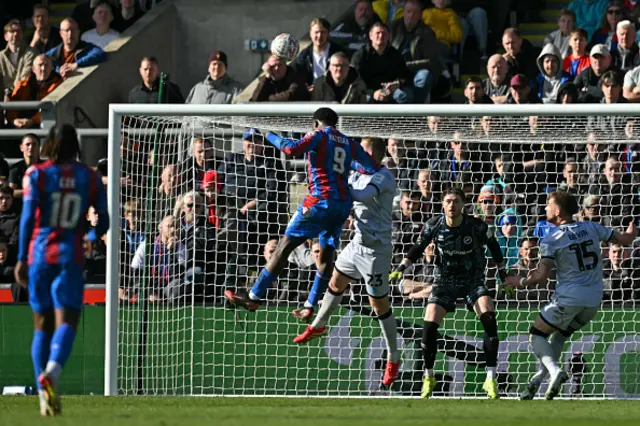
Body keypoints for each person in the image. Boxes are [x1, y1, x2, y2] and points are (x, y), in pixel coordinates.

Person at [224, 108, 379, 321]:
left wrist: (267, 133)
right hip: (342, 205)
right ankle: (309, 305)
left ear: (316, 123)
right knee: (326, 255)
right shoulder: (348, 142)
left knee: (284, 245)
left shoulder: (318, 136)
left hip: (319, 202)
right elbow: (370, 167)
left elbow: (290, 149)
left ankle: (254, 295)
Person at [14, 123, 109, 416]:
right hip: (69, 255)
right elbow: (103, 220)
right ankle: (53, 372)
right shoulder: (88, 177)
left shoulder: (36, 175)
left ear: (48, 145)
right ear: (74, 146)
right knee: (68, 320)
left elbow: (28, 219)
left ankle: (44, 395)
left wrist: (20, 259)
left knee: (41, 324)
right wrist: (92, 238)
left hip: (39, 255)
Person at [505, 191, 637, 400]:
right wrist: (632, 227)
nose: (545, 208)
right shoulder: (592, 227)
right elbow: (626, 239)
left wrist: (519, 282)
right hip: (593, 301)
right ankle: (538, 380)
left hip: (568, 298)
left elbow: (541, 275)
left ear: (557, 211)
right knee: (559, 336)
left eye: (548, 205)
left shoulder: (552, 238)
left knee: (536, 335)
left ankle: (556, 371)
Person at [292, 137, 401, 389]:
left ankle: (393, 356)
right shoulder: (353, 173)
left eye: (361, 150)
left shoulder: (383, 176)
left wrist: (335, 186)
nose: (355, 154)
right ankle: (318, 325)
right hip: (356, 244)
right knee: (336, 280)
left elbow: (361, 196)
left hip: (376, 250)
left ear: (372, 154)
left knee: (378, 305)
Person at [389, 186, 508, 399]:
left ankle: (490, 378)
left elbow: (495, 249)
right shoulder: (433, 225)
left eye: (456, 201)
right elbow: (418, 248)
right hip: (445, 281)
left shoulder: (478, 227)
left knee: (489, 316)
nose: (452, 205)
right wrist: (400, 268)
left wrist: (503, 275)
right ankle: (429, 376)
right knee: (429, 325)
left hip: (473, 280)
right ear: (443, 204)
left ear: (463, 205)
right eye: (448, 201)